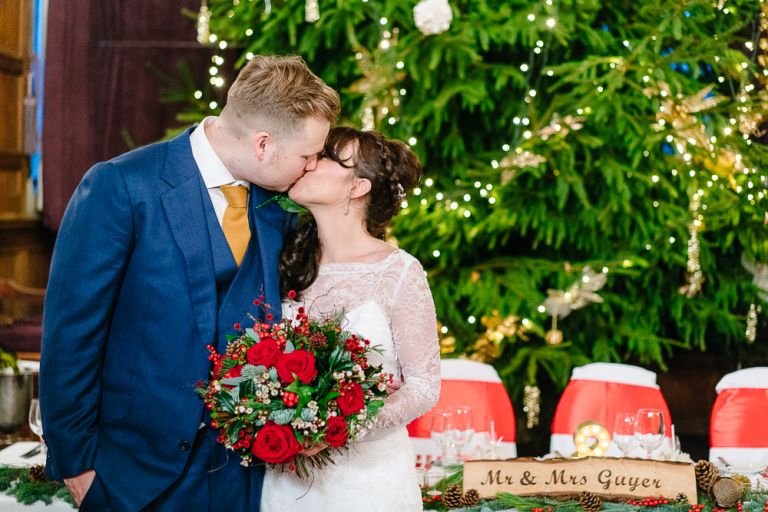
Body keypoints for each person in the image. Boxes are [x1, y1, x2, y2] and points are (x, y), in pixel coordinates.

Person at [40, 55, 339, 511]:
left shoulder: (280, 207)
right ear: (263, 144)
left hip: (244, 474)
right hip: (131, 472)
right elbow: (71, 336)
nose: (313, 165)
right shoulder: (121, 186)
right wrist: (77, 467)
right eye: (307, 154)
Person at [261, 127, 441, 511]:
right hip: (287, 481)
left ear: (357, 187)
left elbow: (424, 387)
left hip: (368, 484)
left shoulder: (398, 272)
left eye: (326, 158)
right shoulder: (285, 260)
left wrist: (340, 430)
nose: (309, 163)